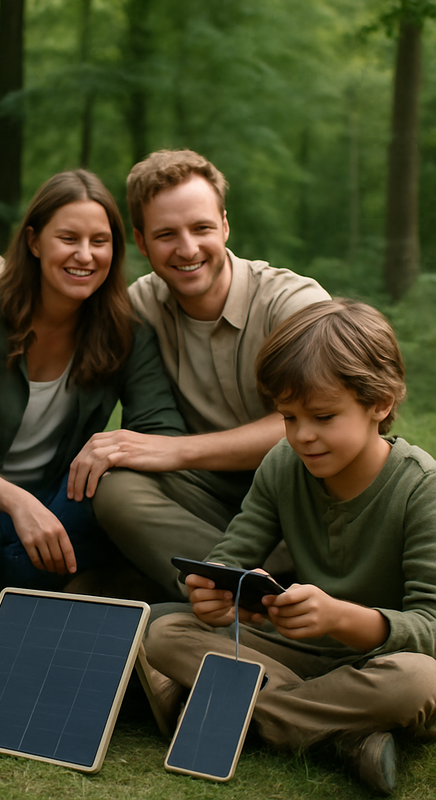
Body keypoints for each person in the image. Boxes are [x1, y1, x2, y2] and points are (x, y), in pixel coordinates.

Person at [143, 299, 436, 795]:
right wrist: (215, 589)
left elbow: (430, 630)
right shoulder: (283, 463)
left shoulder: (421, 488)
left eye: (323, 416)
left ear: (380, 403)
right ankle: (340, 738)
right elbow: (234, 552)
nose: (303, 436)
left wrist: (343, 618)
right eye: (288, 417)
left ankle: (218, 710)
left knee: (418, 681)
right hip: (292, 654)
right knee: (166, 635)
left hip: (377, 664)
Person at [0, 169, 185, 590]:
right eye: (68, 239)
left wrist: (112, 449)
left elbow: (161, 431)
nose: (85, 255)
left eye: (100, 241)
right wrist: (18, 503)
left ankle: (21, 560)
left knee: (115, 509)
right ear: (34, 242)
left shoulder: (127, 331)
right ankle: (30, 559)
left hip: (59, 492)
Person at [68, 149, 329, 598]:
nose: (187, 249)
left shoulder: (294, 304)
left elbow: (319, 423)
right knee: (116, 491)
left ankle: (240, 588)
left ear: (225, 225)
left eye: (202, 228)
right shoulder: (139, 306)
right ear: (142, 241)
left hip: (304, 499)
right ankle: (246, 594)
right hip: (208, 497)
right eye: (166, 234)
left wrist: (177, 451)